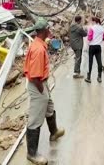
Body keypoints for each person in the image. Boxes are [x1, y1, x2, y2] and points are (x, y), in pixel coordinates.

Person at [24, 18, 65, 165]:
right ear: (44, 31)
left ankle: (53, 133)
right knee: (35, 119)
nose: (50, 30)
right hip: (38, 85)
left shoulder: (39, 44)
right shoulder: (38, 49)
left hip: (42, 83)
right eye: (48, 28)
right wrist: (42, 90)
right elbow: (35, 76)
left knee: (50, 108)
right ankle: (32, 153)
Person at [85, 16, 104, 83]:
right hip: (98, 47)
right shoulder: (102, 29)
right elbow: (103, 38)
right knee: (99, 62)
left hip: (92, 47)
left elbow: (89, 38)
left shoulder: (92, 28)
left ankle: (88, 78)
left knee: (90, 62)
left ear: (94, 21)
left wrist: (87, 43)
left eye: (92, 21)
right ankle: (99, 77)